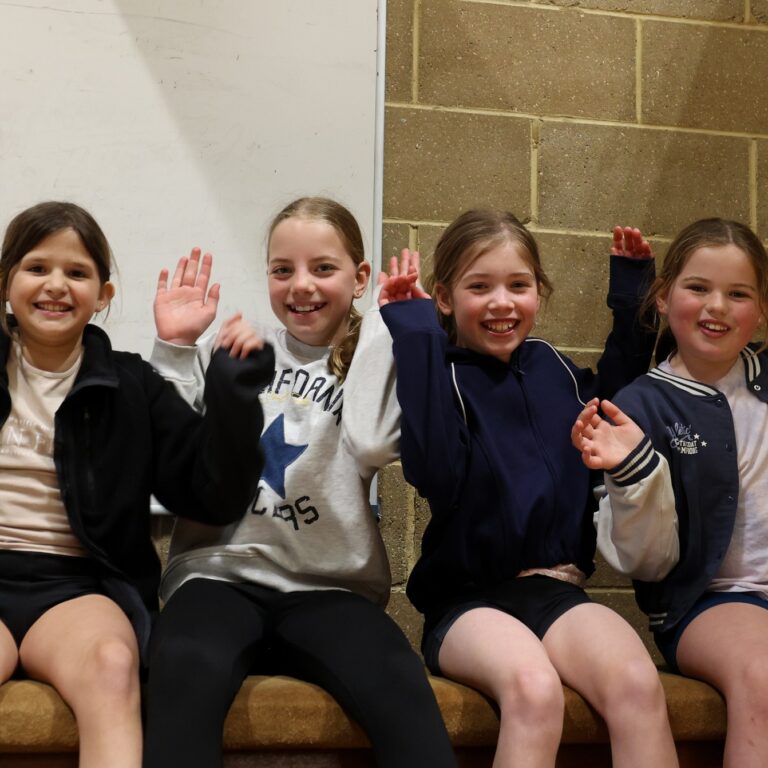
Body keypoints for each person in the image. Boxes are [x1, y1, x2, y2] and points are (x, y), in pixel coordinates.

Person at [143, 196, 457, 768]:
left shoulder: (373, 355)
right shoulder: (238, 347)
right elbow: (167, 462)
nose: (301, 285)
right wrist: (177, 348)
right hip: (219, 576)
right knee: (183, 671)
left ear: (360, 278)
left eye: (323, 268)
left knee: (400, 686)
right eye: (282, 270)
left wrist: (382, 326)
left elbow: (373, 442)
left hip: (331, 588)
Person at [378, 209, 678, 768]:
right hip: (468, 602)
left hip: (554, 591)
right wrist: (416, 335)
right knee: (535, 690)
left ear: (539, 291)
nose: (502, 302)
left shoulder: (552, 368)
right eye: (479, 287)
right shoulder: (442, 375)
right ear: (444, 298)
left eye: (518, 285)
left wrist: (632, 292)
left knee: (638, 685)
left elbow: (617, 394)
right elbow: (435, 470)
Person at [0, 201, 272, 768]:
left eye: (77, 273)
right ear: (6, 283)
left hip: (77, 588)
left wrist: (232, 397)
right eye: (37, 268)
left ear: (103, 295)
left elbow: (210, 496)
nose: (56, 285)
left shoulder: (132, 384)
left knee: (112, 664)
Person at [572, 217, 768, 768]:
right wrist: (634, 472)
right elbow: (648, 563)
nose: (717, 307)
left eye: (738, 294)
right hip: (710, 602)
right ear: (662, 297)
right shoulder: (641, 405)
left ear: (761, 310)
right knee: (763, 674)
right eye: (698, 288)